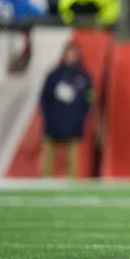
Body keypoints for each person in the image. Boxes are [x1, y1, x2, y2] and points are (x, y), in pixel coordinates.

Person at [40, 41, 93, 177]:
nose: (70, 57)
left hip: (73, 125)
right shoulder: (53, 76)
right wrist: (49, 117)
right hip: (53, 124)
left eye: (73, 54)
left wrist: (80, 118)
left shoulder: (84, 78)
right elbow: (44, 99)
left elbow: (89, 100)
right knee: (47, 161)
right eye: (68, 54)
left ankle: (70, 186)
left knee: (72, 162)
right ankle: (43, 184)